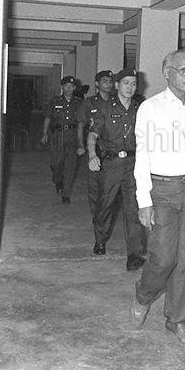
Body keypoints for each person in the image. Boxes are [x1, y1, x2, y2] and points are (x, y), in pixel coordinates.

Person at [129, 50, 185, 347]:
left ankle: (177, 320)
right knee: (163, 259)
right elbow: (142, 155)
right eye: (182, 69)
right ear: (166, 72)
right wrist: (144, 200)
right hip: (163, 191)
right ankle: (144, 295)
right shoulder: (151, 108)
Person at [87, 69, 146, 270]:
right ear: (117, 85)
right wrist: (92, 155)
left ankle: (135, 254)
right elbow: (93, 134)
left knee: (133, 208)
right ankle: (100, 238)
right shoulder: (104, 108)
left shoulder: (141, 108)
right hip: (111, 164)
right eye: (126, 83)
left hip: (133, 164)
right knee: (105, 205)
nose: (130, 87)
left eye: (134, 83)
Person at [76, 70, 114, 251]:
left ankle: (100, 237)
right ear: (97, 84)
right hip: (95, 151)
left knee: (108, 196)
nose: (108, 83)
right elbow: (82, 125)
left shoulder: (117, 102)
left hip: (114, 154)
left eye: (110, 81)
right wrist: (81, 144)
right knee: (94, 192)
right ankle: (98, 218)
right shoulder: (88, 103)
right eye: (104, 81)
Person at [41, 75, 85, 204]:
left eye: (71, 86)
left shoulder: (78, 103)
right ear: (62, 87)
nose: (68, 88)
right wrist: (44, 133)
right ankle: (58, 180)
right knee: (56, 164)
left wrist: (81, 143)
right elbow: (48, 117)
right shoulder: (55, 102)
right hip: (57, 136)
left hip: (72, 135)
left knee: (70, 166)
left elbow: (81, 124)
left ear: (75, 88)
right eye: (66, 86)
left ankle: (66, 193)